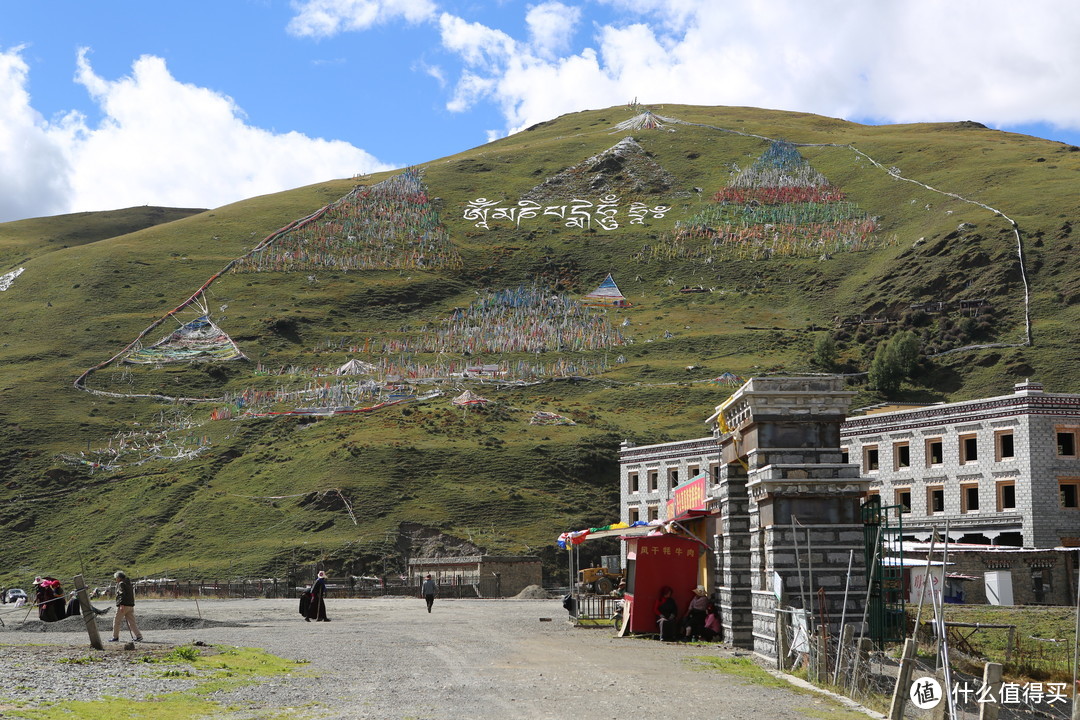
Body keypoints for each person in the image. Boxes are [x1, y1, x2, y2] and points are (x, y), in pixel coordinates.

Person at [110, 571, 143, 642]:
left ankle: (115, 637)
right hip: (130, 605)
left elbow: (121, 594)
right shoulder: (128, 583)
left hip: (123, 605)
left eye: (116, 578)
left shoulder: (121, 584)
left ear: (119, 578)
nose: (116, 579)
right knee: (132, 622)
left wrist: (121, 604)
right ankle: (138, 636)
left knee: (116, 621)